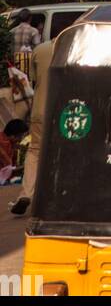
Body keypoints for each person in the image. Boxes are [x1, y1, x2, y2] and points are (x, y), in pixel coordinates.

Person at [9, 37, 54, 216]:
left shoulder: (40, 50)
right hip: (67, 111)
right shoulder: (77, 47)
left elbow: (35, 82)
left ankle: (26, 194)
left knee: (35, 151)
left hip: (40, 110)